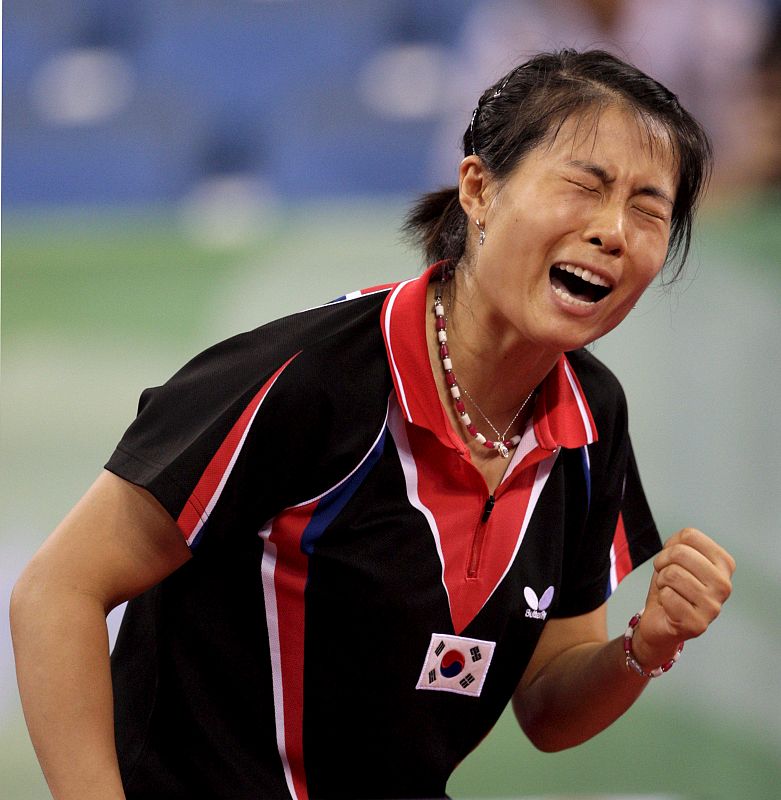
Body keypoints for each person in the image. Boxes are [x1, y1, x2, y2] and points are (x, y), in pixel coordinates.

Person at [11, 50, 735, 800]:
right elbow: (56, 591)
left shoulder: (590, 421)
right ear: (479, 190)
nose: (613, 231)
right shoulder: (307, 380)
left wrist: (645, 648)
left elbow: (548, 705)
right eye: (584, 186)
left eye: (648, 209)